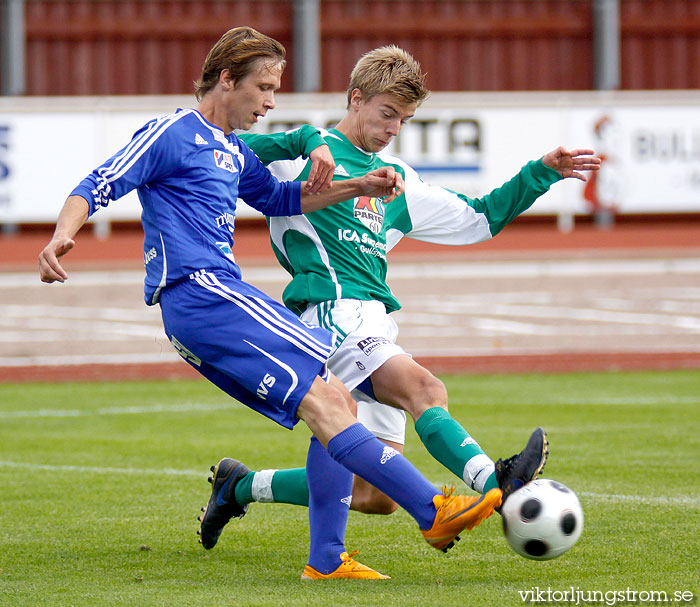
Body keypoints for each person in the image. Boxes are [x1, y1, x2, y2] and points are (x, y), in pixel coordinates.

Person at [37, 28, 505, 582]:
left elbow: (282, 197)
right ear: (226, 79)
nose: (270, 101)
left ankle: (326, 562)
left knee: (333, 402)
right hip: (202, 290)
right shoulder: (171, 132)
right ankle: (431, 509)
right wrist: (62, 235)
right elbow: (100, 182)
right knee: (331, 400)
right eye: (262, 87)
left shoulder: (232, 151)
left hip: (211, 298)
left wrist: (355, 187)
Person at [206, 46, 600, 519]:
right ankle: (499, 483)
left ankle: (241, 486)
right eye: (387, 114)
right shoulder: (307, 161)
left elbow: (479, 218)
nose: (393, 130)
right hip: (330, 314)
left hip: (375, 324)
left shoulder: (400, 181)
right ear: (356, 99)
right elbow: (226, 153)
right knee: (425, 391)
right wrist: (307, 139)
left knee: (376, 496)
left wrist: (541, 173)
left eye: (404, 120)